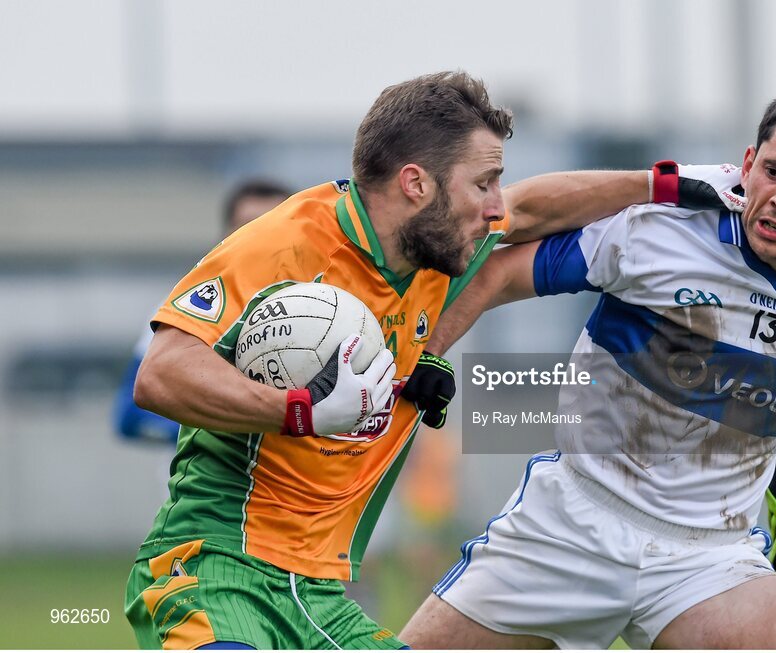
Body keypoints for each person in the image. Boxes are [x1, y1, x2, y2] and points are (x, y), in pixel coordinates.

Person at [123, 70, 719, 650]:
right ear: (416, 184)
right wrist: (300, 411)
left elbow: (534, 207)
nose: (495, 208)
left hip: (318, 593)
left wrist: (663, 185)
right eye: (483, 184)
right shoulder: (286, 245)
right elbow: (160, 373)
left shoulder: (434, 250)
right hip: (213, 567)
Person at [399, 87, 776, 649]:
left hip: (710, 557)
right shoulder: (661, 225)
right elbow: (501, 265)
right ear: (748, 164)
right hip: (574, 525)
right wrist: (426, 354)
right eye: (773, 171)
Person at [113, 180, 292, 446]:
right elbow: (130, 416)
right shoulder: (190, 306)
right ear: (226, 235)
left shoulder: (324, 308)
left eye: (273, 226)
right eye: (249, 227)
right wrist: (227, 426)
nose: (261, 239)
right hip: (202, 484)